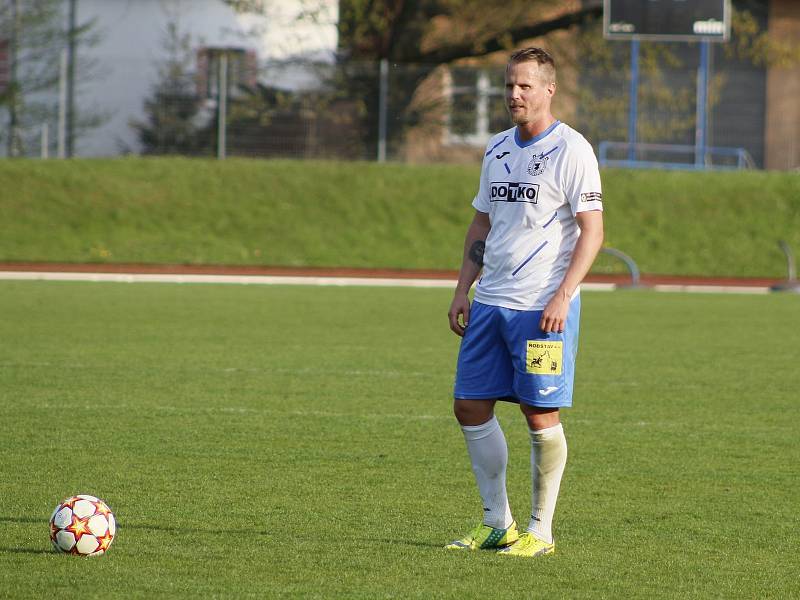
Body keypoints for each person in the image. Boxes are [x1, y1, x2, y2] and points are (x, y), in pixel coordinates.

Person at [445, 47, 604, 558]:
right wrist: (461, 287)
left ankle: (541, 530)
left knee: (540, 416)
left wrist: (563, 295)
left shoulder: (572, 150)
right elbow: (481, 223)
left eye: (525, 86)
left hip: (542, 308)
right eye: (510, 85)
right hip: (490, 304)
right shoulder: (495, 149)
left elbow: (593, 232)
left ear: (548, 89)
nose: (514, 94)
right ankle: (498, 523)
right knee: (468, 405)